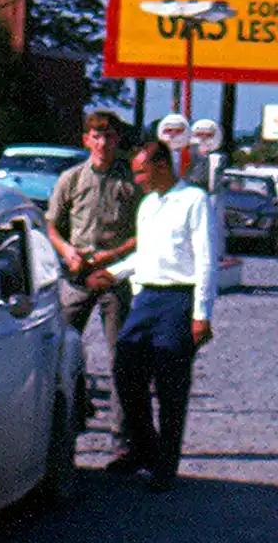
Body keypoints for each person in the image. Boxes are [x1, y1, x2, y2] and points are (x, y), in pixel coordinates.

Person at [85, 139, 216, 492]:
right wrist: (113, 273)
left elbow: (205, 260)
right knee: (126, 371)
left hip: (178, 299)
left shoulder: (194, 201)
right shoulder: (147, 206)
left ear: (161, 166)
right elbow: (146, 255)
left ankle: (165, 466)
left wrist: (201, 314)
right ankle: (145, 448)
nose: (138, 179)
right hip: (146, 299)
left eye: (142, 171)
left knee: (171, 386)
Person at [45, 110, 140, 432]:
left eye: (109, 136)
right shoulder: (71, 179)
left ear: (118, 140)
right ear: (86, 140)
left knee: (121, 359)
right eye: (96, 136)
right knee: (61, 350)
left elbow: (143, 232)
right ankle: (69, 417)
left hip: (114, 277)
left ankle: (123, 435)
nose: (103, 143)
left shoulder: (130, 183)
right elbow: (51, 225)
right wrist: (67, 251)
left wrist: (111, 255)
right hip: (76, 277)